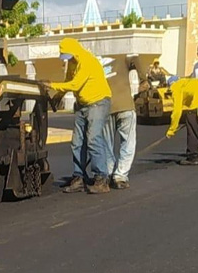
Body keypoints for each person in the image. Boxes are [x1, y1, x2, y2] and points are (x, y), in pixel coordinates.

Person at [49, 38, 112, 194]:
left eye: (68, 55)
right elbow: (68, 80)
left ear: (75, 50)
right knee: (77, 142)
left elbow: (76, 84)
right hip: (83, 104)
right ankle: (79, 177)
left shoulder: (87, 61)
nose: (67, 59)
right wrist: (58, 95)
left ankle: (101, 179)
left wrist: (50, 85)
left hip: (98, 102)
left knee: (93, 139)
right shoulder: (72, 62)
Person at [101, 55, 143, 189]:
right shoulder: (122, 58)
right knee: (128, 141)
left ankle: (108, 172)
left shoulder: (97, 65)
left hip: (106, 108)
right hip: (125, 106)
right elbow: (135, 59)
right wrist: (144, 80)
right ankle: (120, 176)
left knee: (107, 143)